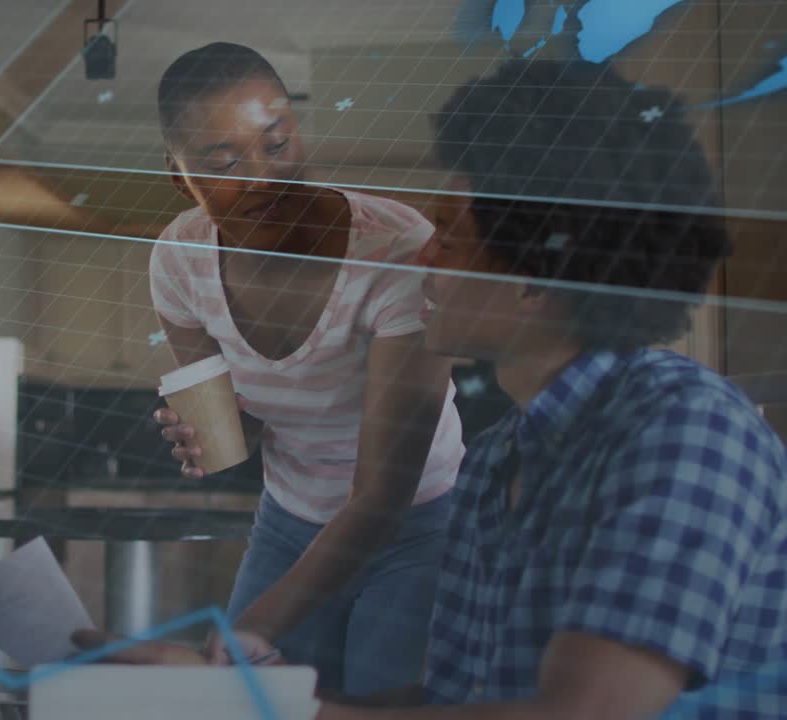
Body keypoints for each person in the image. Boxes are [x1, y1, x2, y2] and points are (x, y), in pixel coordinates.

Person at [80, 59, 787, 720]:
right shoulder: (496, 463)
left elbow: (580, 715)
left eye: (448, 234)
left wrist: (282, 708)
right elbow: (456, 700)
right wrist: (252, 696)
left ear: (535, 276)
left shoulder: (687, 434)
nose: (418, 252)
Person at [147, 42, 465, 695]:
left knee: (380, 704)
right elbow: (239, 434)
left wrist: (254, 626)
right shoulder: (179, 260)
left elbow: (382, 496)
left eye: (276, 143)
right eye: (224, 163)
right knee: (250, 703)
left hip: (417, 527)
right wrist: (210, 437)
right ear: (180, 178)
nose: (263, 178)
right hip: (289, 521)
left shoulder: (395, 252)